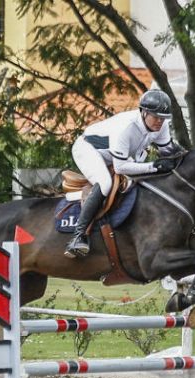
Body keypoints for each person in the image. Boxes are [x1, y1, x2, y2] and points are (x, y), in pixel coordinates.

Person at [64, 88, 183, 258]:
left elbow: (169, 152)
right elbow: (121, 168)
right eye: (156, 116)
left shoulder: (161, 126)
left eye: (163, 118)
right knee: (105, 183)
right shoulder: (126, 128)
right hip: (89, 150)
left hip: (121, 156)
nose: (160, 122)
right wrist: (154, 166)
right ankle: (78, 236)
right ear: (143, 112)